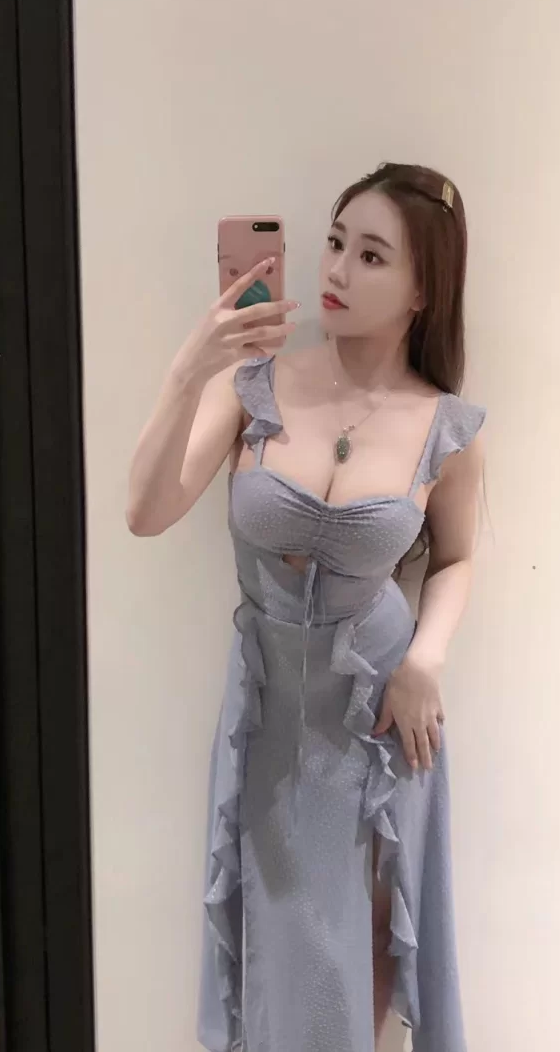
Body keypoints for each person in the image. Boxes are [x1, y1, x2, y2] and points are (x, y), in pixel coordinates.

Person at [127, 163, 485, 1052]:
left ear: (423, 289)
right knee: (287, 946)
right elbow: (146, 511)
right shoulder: (253, 385)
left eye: (371, 255)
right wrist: (190, 369)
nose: (336, 269)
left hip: (380, 715)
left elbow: (457, 556)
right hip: (274, 712)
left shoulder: (444, 425)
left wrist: (426, 657)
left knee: (369, 945)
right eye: (333, 242)